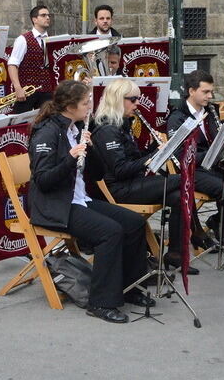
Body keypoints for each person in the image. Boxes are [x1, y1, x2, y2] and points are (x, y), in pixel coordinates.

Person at [29, 80, 152, 323]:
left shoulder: (74, 129)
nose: (90, 108)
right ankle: (101, 302)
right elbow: (43, 180)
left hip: (79, 199)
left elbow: (95, 175)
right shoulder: (48, 132)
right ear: (70, 106)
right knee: (110, 232)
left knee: (134, 222)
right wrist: (70, 157)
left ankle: (131, 287)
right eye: (86, 103)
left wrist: (91, 148)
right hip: (56, 206)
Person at [91, 78, 213, 274]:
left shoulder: (122, 124)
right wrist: (153, 156)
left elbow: (135, 159)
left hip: (134, 182)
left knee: (179, 196)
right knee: (184, 180)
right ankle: (193, 234)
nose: (138, 103)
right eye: (133, 99)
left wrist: (155, 148)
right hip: (119, 190)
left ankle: (175, 253)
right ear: (117, 99)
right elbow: (121, 170)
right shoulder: (107, 131)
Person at [167, 70, 224, 265]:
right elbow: (180, 156)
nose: (210, 96)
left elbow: (217, 139)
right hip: (194, 169)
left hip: (214, 165)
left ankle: (218, 223)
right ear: (192, 91)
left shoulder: (211, 112)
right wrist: (210, 154)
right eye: (206, 92)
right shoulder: (177, 118)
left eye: (211, 92)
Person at [7, 4, 54, 114]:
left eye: (48, 15)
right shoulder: (23, 39)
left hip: (47, 91)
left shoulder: (52, 40)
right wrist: (18, 88)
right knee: (21, 123)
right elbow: (12, 64)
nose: (47, 18)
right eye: (43, 15)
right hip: (27, 91)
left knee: (46, 122)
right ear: (34, 19)